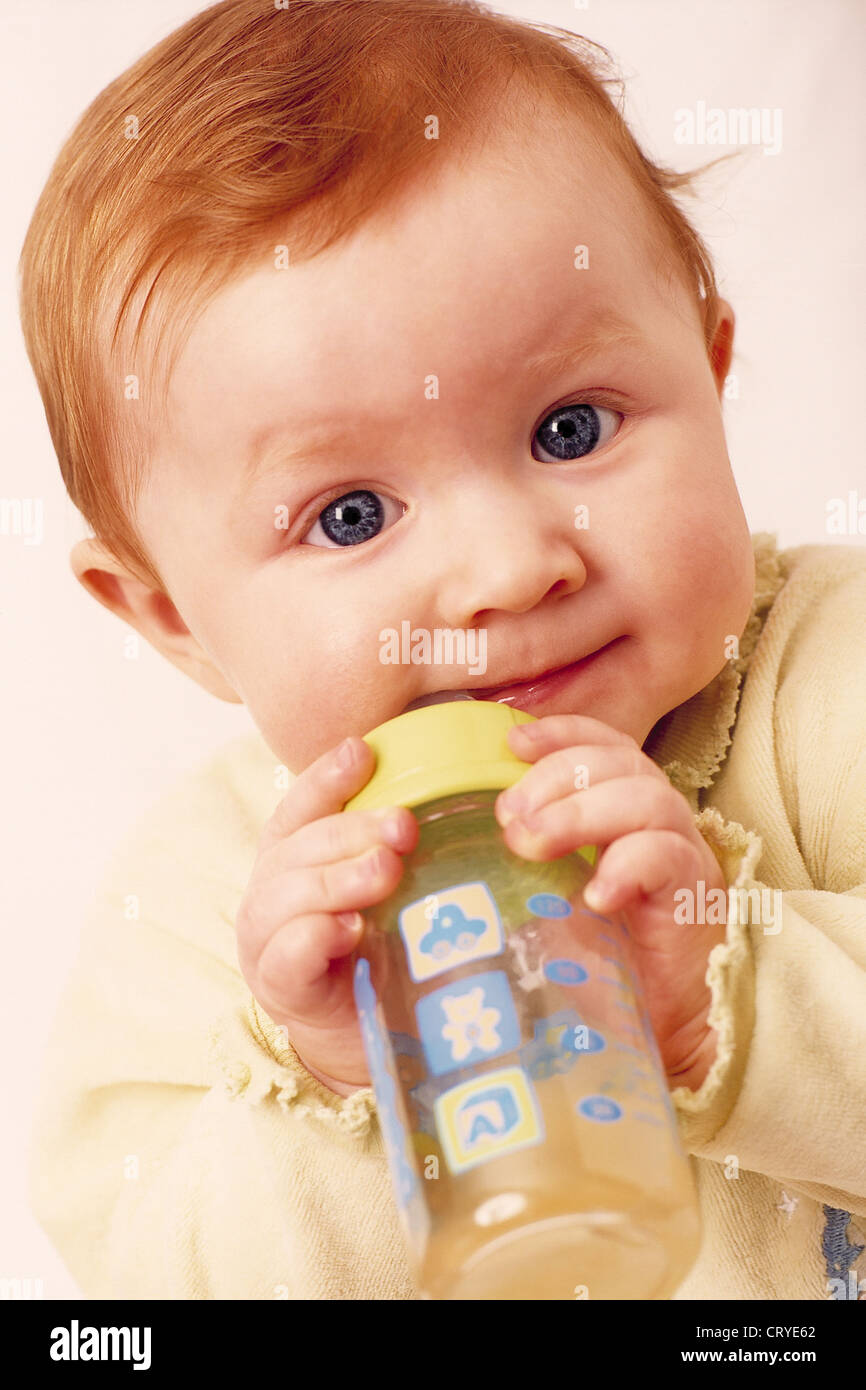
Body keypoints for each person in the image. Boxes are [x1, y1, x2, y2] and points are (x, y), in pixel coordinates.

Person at [19, 0, 866, 1299]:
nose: (507, 567)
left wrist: (719, 994)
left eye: (572, 429)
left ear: (707, 368)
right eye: (349, 515)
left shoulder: (830, 682)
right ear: (172, 617)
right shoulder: (206, 914)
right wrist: (331, 1070)